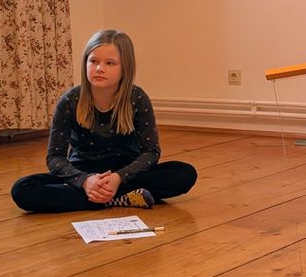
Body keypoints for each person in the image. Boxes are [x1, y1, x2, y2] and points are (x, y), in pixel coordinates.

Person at [12, 29, 197, 213]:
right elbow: (55, 157)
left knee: (184, 173)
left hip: (126, 173)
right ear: (85, 63)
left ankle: (99, 198)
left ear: (125, 68)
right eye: (93, 61)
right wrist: (85, 181)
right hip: (82, 173)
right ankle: (120, 198)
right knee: (22, 189)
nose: (99, 68)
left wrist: (118, 178)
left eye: (110, 63)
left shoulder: (137, 98)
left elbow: (151, 152)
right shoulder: (70, 101)